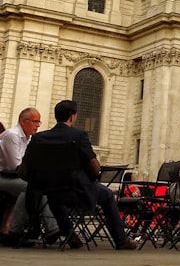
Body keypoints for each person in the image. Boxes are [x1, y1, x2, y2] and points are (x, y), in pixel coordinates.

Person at [23, 99, 136, 250]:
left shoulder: (38, 138)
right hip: (77, 191)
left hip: (48, 193)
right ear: (72, 117)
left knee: (55, 198)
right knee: (108, 195)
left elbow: (23, 171)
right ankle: (121, 241)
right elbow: (95, 169)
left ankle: (70, 234)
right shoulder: (79, 135)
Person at [0, 108, 58, 243]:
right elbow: (17, 166)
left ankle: (49, 228)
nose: (38, 125)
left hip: (6, 178)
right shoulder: (12, 135)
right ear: (23, 121)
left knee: (38, 187)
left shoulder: (27, 138)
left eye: (39, 122)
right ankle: (15, 231)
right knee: (30, 188)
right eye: (35, 121)